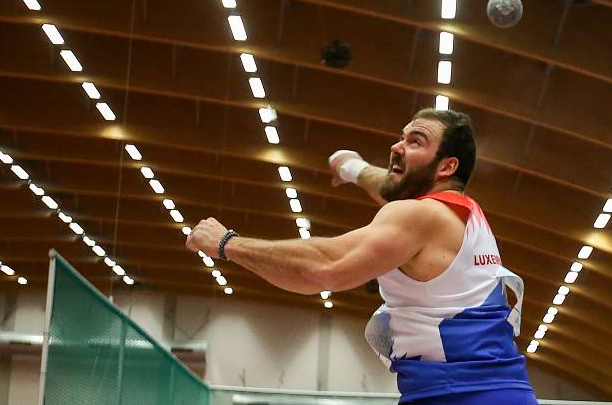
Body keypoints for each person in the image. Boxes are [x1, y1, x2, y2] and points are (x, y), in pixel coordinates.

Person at [186, 108, 538, 404]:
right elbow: (387, 185)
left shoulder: (419, 216)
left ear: (446, 167)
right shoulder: (463, 213)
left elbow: (322, 269)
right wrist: (350, 167)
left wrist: (226, 243)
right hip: (485, 391)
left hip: (465, 397)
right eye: (401, 137)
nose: (397, 147)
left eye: (416, 141)